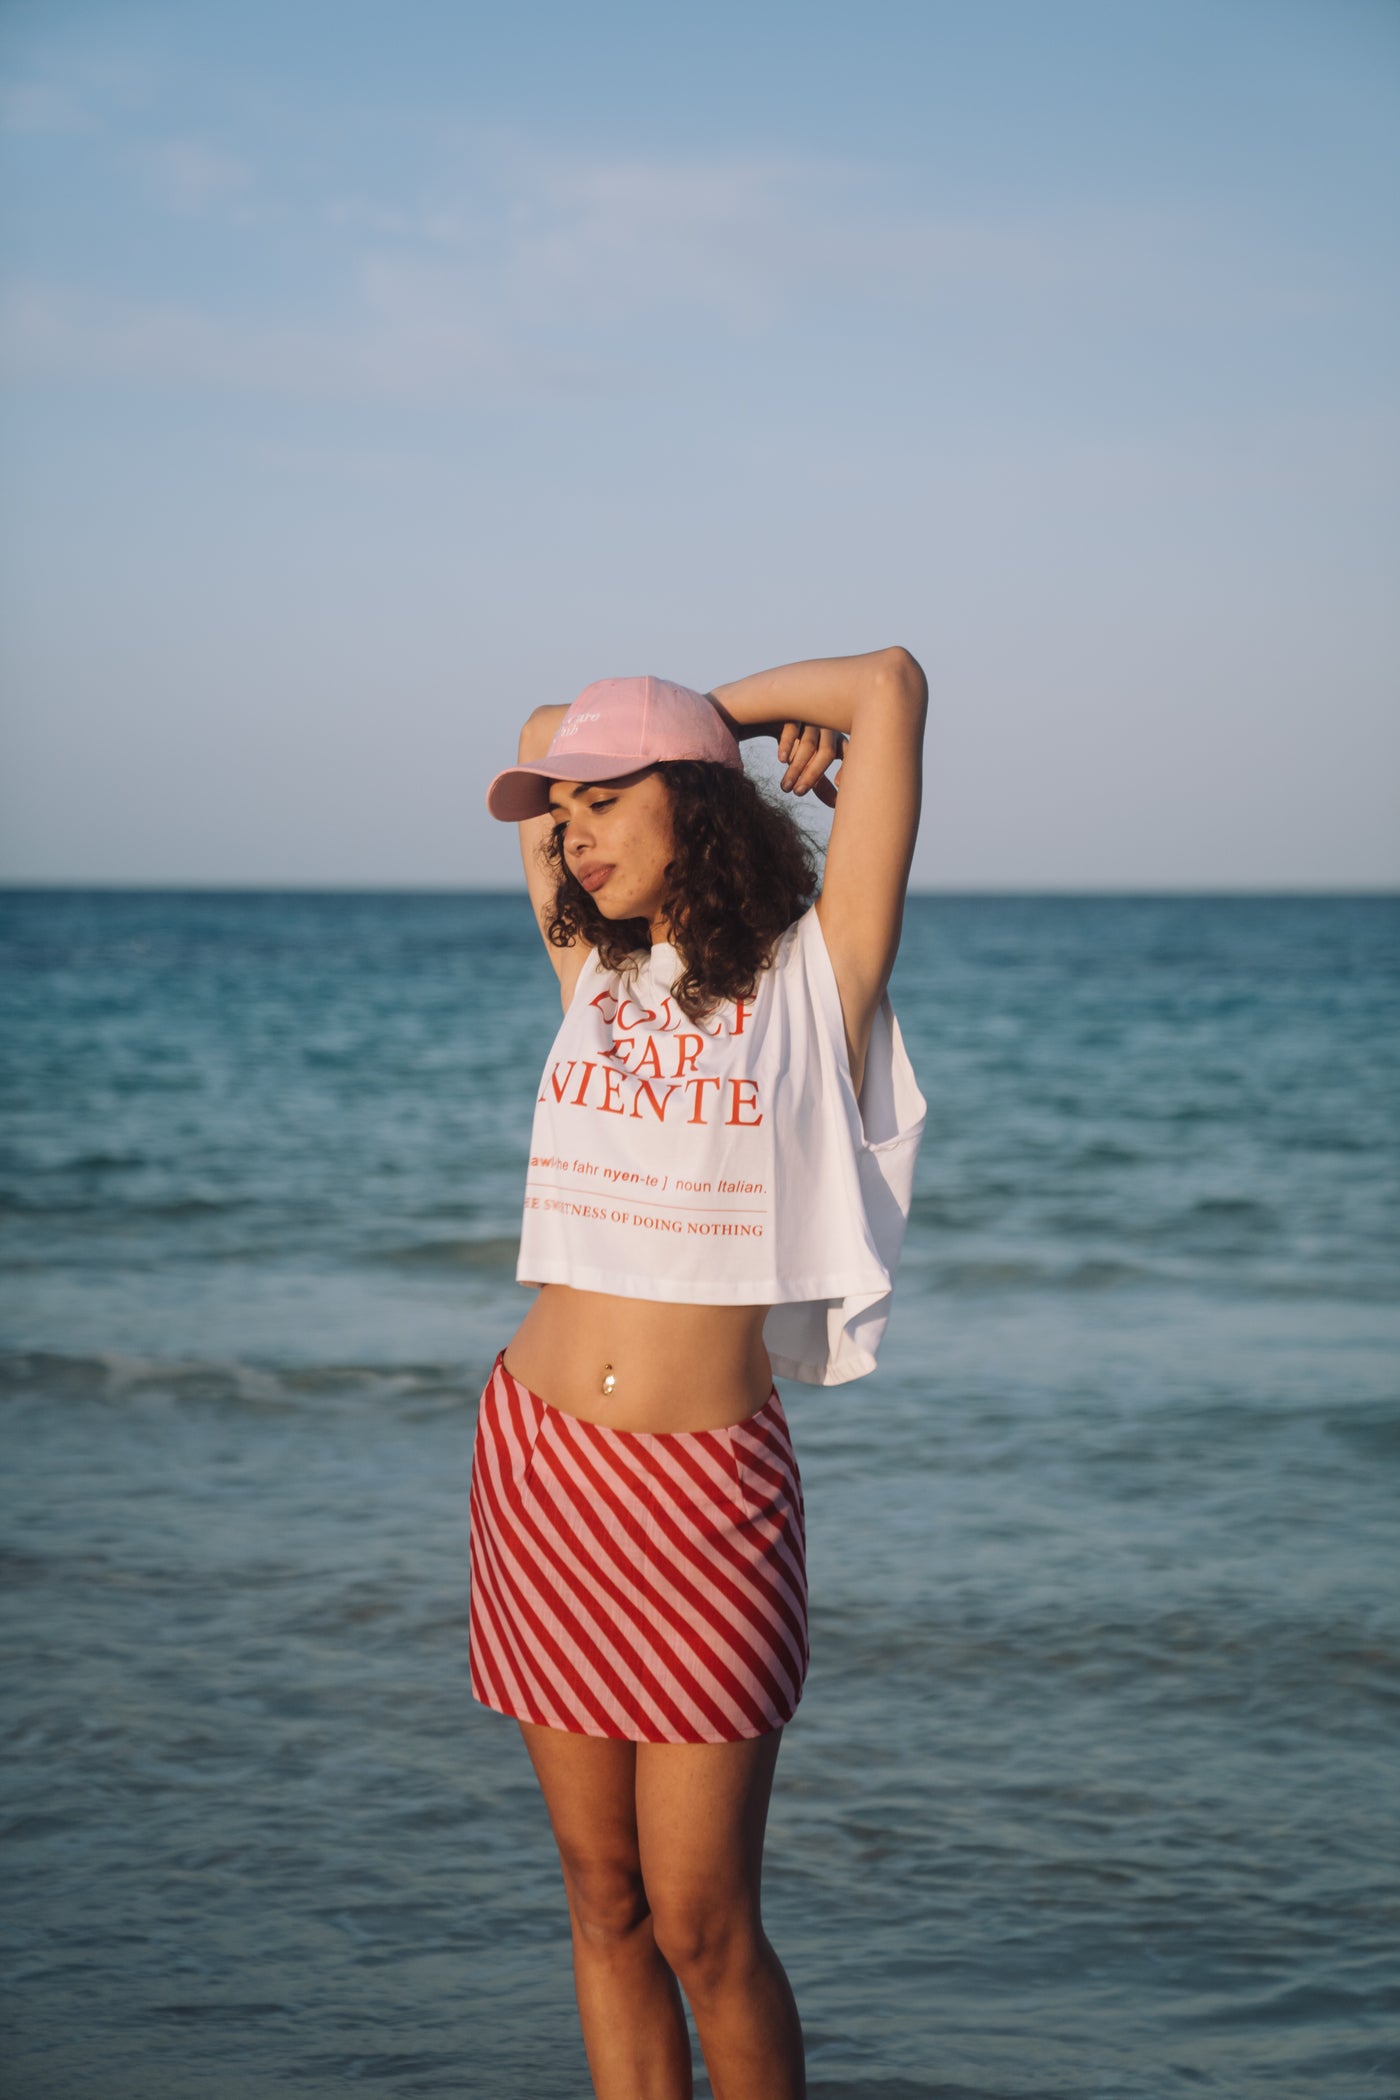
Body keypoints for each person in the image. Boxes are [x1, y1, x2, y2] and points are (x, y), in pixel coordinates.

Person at [472, 648, 928, 2100]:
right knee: (602, 1901)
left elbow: (888, 686)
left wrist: (714, 724)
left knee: (703, 1922)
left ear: (696, 801)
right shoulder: (592, 968)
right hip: (540, 1469)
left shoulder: (815, 978)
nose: (576, 834)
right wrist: (639, 747)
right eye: (567, 813)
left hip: (705, 1504)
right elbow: (540, 731)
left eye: (609, 802)